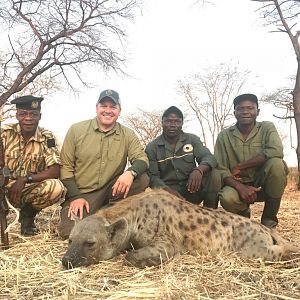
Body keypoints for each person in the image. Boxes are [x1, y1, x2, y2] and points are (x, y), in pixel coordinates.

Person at [59, 89, 149, 239]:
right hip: (83, 194)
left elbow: (142, 158)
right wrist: (75, 196)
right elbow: (65, 167)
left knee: (142, 178)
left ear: (119, 111)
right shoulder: (76, 130)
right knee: (71, 233)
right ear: (96, 108)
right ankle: (98, 214)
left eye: (113, 107)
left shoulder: (128, 134)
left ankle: (113, 212)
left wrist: (130, 172)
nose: (108, 111)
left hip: (111, 191)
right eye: (104, 106)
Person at [214, 93, 288, 229]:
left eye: (250, 108)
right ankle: (243, 215)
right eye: (240, 109)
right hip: (238, 186)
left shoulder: (267, 127)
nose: (245, 112)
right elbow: (220, 168)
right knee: (226, 197)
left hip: (264, 185)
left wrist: (241, 166)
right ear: (234, 112)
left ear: (257, 112)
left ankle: (269, 221)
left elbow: (275, 150)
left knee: (277, 164)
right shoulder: (223, 136)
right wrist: (240, 187)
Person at [3, 95, 65, 236]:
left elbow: (54, 170)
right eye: (23, 113)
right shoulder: (4, 133)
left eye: (33, 114)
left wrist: (24, 179)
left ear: (39, 116)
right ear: (17, 115)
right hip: (3, 187)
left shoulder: (47, 136)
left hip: (26, 189)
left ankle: (27, 216)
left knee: (56, 187)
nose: (28, 118)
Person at [145, 106, 221, 208]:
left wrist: (199, 170)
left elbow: (209, 157)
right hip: (167, 194)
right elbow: (153, 177)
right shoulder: (152, 147)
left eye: (177, 121)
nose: (172, 125)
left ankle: (210, 213)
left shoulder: (192, 139)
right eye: (168, 121)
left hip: (192, 187)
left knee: (214, 173)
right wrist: (167, 191)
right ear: (162, 123)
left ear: (182, 124)